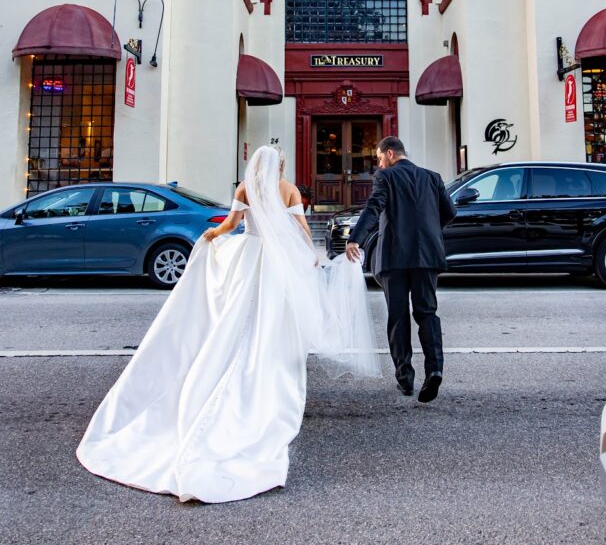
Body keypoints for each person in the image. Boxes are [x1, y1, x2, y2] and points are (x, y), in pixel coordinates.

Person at [77, 145, 379, 504]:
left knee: (237, 311)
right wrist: (310, 257)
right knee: (271, 315)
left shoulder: (244, 189)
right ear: (280, 166)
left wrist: (211, 238)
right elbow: (300, 229)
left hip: (249, 257)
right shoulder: (290, 190)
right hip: (277, 264)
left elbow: (230, 225)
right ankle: (266, 360)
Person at [346, 136, 455, 403]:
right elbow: (450, 212)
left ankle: (405, 379)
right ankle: (435, 370)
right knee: (427, 312)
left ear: (391, 154)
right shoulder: (433, 177)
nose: (380, 164)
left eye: (380, 158)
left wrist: (356, 238)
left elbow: (374, 207)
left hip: (394, 256)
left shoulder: (386, 177)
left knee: (398, 317)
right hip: (427, 255)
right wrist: (429, 230)